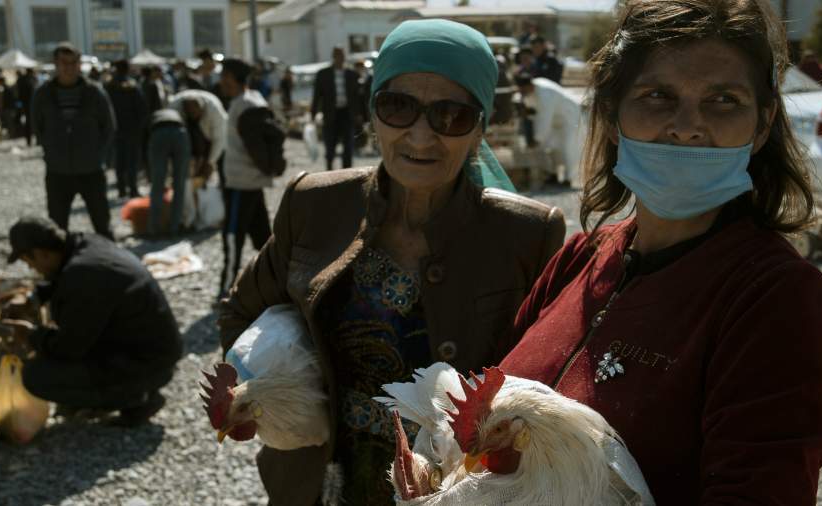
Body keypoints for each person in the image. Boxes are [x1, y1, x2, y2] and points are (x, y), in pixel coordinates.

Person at [499, 0, 822, 504]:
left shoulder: (775, 297)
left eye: (722, 100)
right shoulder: (579, 260)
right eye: (658, 96)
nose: (687, 126)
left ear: (763, 125)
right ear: (613, 117)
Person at [217, 19, 566, 506]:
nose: (420, 137)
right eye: (398, 107)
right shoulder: (315, 204)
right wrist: (274, 399)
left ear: (482, 126)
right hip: (324, 476)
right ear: (373, 113)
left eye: (451, 116)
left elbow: (551, 374)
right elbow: (241, 311)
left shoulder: (527, 234)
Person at [0, 216, 182, 426]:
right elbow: (60, 278)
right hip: (149, 348)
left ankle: (136, 399)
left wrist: (31, 335)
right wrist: (34, 298)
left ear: (42, 253)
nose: (33, 269)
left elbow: (68, 348)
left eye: (29, 261)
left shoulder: (84, 276)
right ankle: (109, 394)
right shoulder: (85, 245)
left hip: (148, 362)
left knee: (35, 376)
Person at [31, 42, 116, 239]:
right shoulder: (43, 94)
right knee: (57, 228)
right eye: (63, 62)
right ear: (55, 64)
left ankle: (109, 265)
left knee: (102, 223)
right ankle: (61, 269)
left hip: (91, 170)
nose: (68, 67)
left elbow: (109, 127)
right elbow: (38, 127)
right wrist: (51, 152)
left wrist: (98, 156)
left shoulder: (94, 92)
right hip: (58, 171)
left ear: (79, 64)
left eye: (73, 62)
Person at [217, 58, 274, 297]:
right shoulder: (250, 99)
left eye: (225, 76)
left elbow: (255, 144)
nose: (221, 81)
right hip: (251, 179)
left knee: (232, 235)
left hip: (242, 181)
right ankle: (274, 280)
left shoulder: (245, 104)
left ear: (234, 78)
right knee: (262, 236)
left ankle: (227, 287)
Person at [515, 72, 584, 185]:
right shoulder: (533, 88)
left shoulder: (544, 94)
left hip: (569, 117)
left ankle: (568, 178)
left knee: (568, 148)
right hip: (555, 120)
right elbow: (536, 112)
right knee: (551, 147)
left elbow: (544, 118)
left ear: (528, 86)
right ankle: (553, 174)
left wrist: (537, 139)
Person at [311, 46, 362, 170]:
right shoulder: (323, 74)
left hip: (347, 114)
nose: (340, 58)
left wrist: (360, 114)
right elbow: (317, 95)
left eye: (342, 55)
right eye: (337, 55)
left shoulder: (352, 75)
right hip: (330, 114)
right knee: (330, 147)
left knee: (348, 147)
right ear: (333, 57)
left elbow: (358, 97)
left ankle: (347, 174)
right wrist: (313, 115)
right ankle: (329, 172)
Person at [106, 60, 149, 198]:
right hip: (132, 130)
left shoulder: (108, 86)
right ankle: (133, 189)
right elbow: (142, 109)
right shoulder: (133, 86)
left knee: (119, 160)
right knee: (132, 161)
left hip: (115, 129)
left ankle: (121, 189)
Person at [146, 108, 190, 236]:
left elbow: (144, 142)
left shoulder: (153, 115)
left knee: (157, 185)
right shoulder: (178, 112)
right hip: (180, 133)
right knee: (179, 184)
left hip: (158, 134)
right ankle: (174, 228)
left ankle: (154, 229)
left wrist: (149, 172)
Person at [168, 88, 227, 181]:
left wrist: (211, 162)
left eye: (194, 112)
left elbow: (220, 138)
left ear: (200, 108)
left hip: (208, 135)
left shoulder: (214, 109)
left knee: (212, 161)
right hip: (185, 135)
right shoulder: (174, 108)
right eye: (189, 112)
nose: (192, 114)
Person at [17, 68, 37, 146]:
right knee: (31, 122)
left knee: (28, 123)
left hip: (26, 105)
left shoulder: (22, 80)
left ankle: (29, 140)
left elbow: (19, 94)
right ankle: (31, 140)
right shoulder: (31, 80)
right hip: (29, 105)